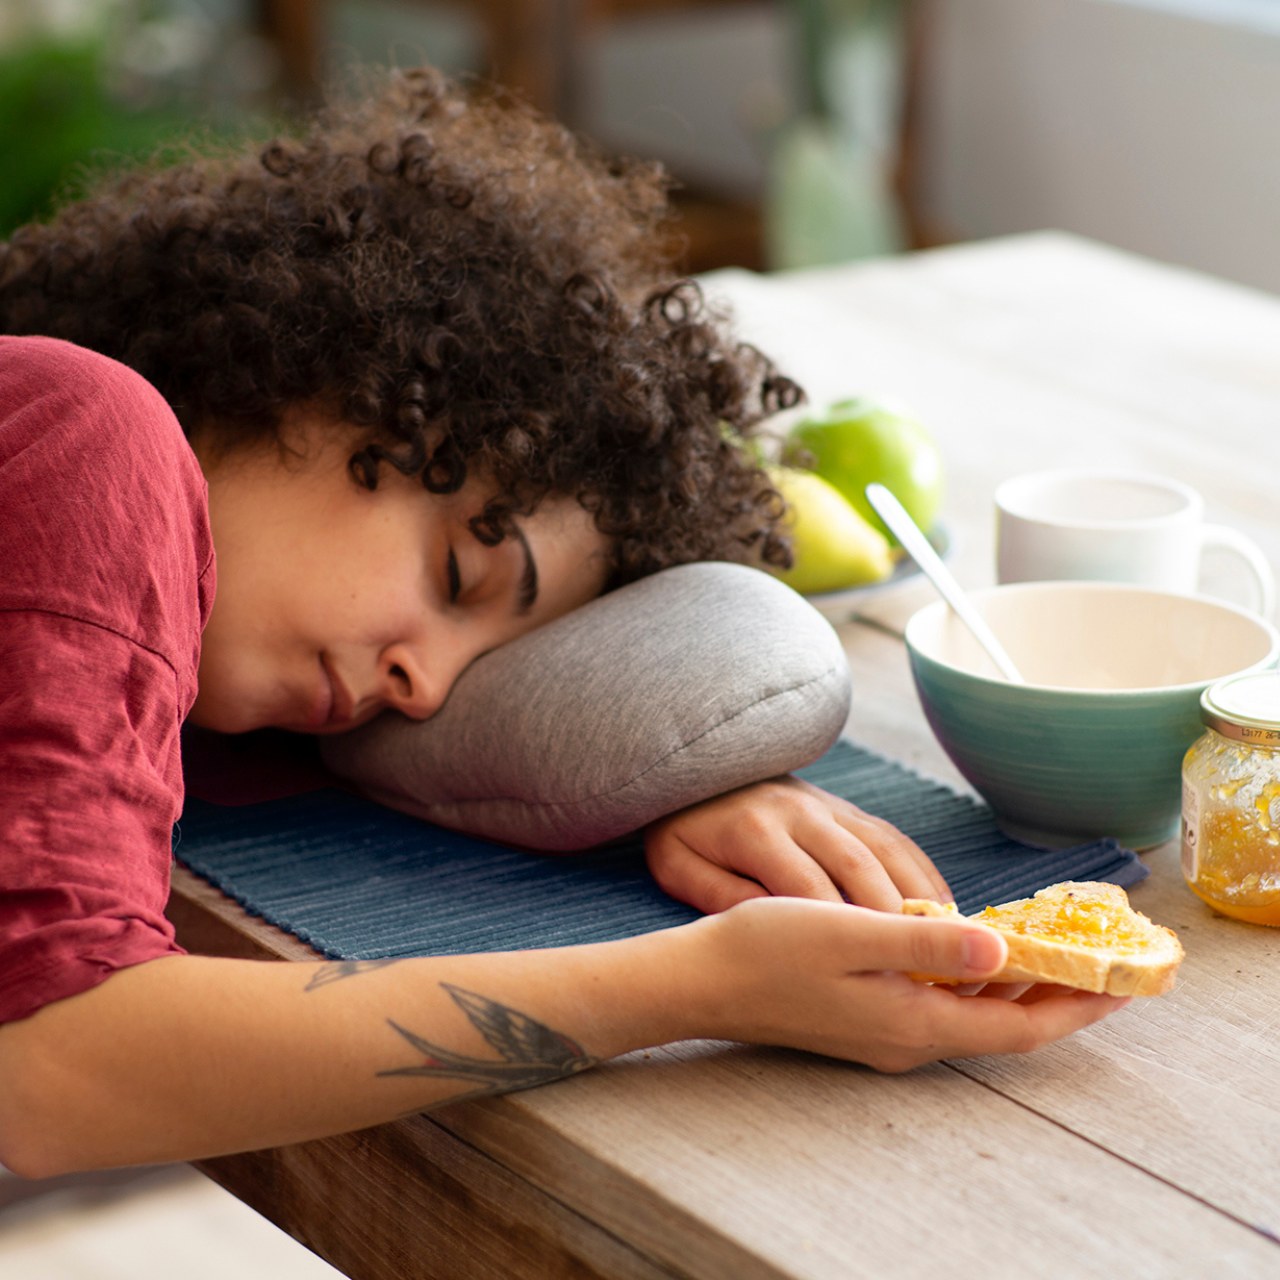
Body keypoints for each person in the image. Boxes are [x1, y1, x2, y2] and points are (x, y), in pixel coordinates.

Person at [0, 67, 1128, 1178]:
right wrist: (695, 986)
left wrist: (674, 780)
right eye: (456, 569)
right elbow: (51, 1067)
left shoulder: (194, 660)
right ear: (302, 376)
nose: (425, 688)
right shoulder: (90, 438)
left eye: (485, 656)